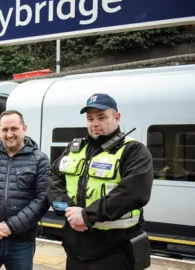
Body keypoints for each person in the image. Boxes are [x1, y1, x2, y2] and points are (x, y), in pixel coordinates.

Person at [47, 93, 153, 270]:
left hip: (114, 251)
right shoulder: (74, 149)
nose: (94, 123)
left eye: (101, 117)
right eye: (90, 118)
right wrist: (67, 210)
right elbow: (52, 180)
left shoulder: (134, 151)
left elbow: (133, 192)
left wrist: (86, 216)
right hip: (75, 250)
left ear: (117, 117)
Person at [0, 110, 50, 270]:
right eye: (4, 130)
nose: (9, 134)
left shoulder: (40, 159)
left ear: (24, 128)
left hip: (21, 242)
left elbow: (42, 199)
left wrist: (10, 226)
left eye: (14, 128)